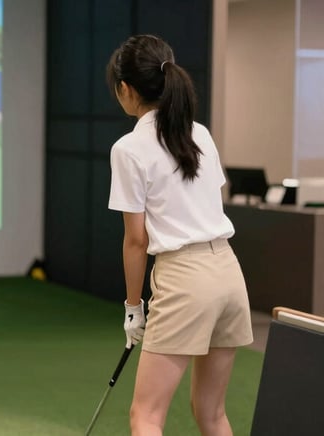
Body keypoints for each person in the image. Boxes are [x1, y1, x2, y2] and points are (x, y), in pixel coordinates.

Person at [105, 34, 253, 436]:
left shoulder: (129, 148)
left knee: (147, 416)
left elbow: (136, 240)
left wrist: (133, 306)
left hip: (185, 280)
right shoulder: (199, 133)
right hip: (228, 274)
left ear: (125, 88)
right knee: (212, 413)